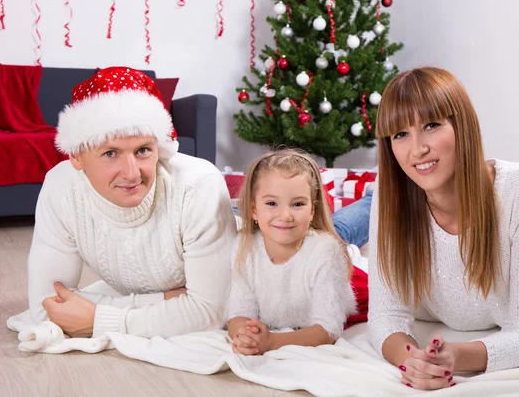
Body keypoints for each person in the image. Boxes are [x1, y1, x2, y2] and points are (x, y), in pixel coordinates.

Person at [368, 67, 519, 390]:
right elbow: (386, 315)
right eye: (400, 134)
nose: (417, 149)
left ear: (463, 126)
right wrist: (415, 360)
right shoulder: (390, 195)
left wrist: (453, 358)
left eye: (431, 126)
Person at [27, 67, 237, 339]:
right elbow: (48, 308)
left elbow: (214, 312)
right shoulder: (61, 186)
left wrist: (100, 318)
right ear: (76, 157)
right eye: (111, 153)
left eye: (143, 151)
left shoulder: (198, 185)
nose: (131, 173)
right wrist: (170, 300)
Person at [226, 149, 357, 355]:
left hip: (331, 264)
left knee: (348, 229)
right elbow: (239, 312)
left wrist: (272, 341)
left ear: (312, 210)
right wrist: (246, 337)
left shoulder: (327, 251)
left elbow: (328, 329)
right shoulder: (244, 247)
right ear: (253, 210)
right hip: (302, 237)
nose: (285, 215)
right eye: (271, 203)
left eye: (298, 204)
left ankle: (372, 195)